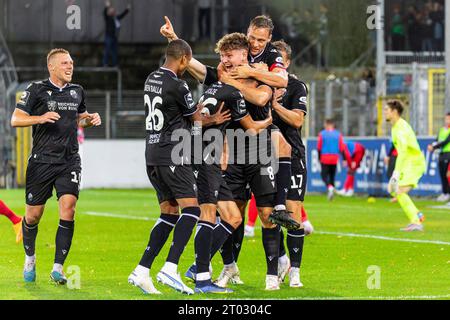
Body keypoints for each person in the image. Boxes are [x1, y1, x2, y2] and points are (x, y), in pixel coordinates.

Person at [160, 17, 293, 290]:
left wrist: (242, 77)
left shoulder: (266, 60)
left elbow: (264, 95)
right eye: (253, 38)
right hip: (227, 150)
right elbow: (195, 67)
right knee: (232, 215)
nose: (256, 43)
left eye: (261, 40)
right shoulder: (224, 72)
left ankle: (271, 270)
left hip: (255, 148)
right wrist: (174, 39)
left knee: (263, 214)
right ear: (246, 35)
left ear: (268, 40)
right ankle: (218, 268)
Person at [11, 48, 101, 284]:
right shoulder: (36, 89)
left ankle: (58, 269)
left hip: (69, 160)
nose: (70, 67)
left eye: (71, 62)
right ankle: (30, 259)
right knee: (33, 216)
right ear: (51, 67)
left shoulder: (77, 91)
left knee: (69, 209)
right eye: (64, 63)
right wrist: (40, 118)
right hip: (41, 161)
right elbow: (16, 119)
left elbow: (80, 119)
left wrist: (90, 119)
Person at [385, 100, 426, 231]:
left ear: (394, 112)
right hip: (408, 163)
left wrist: (396, 173)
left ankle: (416, 222)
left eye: (387, 110)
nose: (384, 112)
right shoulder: (395, 126)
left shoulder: (401, 128)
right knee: (393, 190)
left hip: (413, 163)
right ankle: (417, 215)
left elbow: (402, 152)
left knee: (399, 191)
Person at [317, 119, 344, 201]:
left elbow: (319, 147)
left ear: (328, 124)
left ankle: (330, 187)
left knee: (324, 175)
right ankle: (331, 195)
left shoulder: (322, 134)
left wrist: (319, 157)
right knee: (332, 176)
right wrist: (345, 159)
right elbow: (341, 147)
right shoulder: (338, 134)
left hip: (325, 157)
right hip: (335, 157)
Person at [428, 113, 450, 202]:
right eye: (446, 118)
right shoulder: (442, 130)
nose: (447, 120)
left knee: (447, 175)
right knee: (442, 175)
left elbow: (446, 141)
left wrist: (434, 147)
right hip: (441, 154)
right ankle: (445, 193)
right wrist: (432, 145)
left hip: (448, 154)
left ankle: (448, 193)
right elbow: (437, 140)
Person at [103, 0, 130, 67]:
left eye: (113, 11)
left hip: (114, 37)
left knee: (114, 51)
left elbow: (122, 15)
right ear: (109, 12)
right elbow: (104, 13)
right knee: (107, 50)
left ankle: (115, 64)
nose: (113, 12)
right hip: (109, 36)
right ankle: (105, 63)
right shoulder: (108, 18)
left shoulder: (116, 18)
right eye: (111, 11)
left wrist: (127, 9)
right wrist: (107, 6)